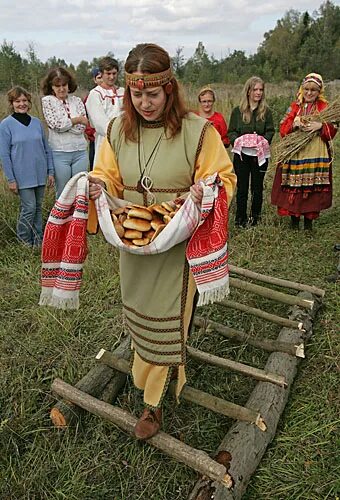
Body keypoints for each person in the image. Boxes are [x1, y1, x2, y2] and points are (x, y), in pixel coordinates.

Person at [88, 43, 236, 440]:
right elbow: (107, 174)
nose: (145, 102)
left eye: (152, 94)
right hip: (134, 242)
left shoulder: (197, 130)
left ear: (169, 89)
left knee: (170, 319)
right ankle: (147, 373)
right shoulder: (119, 129)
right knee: (140, 313)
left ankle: (152, 405)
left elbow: (224, 177)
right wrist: (97, 187)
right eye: (136, 94)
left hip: (176, 243)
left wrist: (206, 192)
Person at [271, 73, 337, 230]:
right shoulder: (295, 106)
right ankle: (294, 220)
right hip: (296, 154)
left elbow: (332, 130)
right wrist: (294, 124)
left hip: (316, 154)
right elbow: (282, 129)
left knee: (312, 187)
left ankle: (309, 222)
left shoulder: (324, 107)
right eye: (306, 89)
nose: (309, 93)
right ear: (302, 89)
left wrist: (320, 126)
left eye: (313, 90)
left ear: (319, 91)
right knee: (294, 186)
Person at [0, 86, 54, 247]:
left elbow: (47, 149)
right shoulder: (6, 125)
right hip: (21, 176)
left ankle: (38, 241)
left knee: (38, 208)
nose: (21, 104)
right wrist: (11, 179)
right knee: (29, 208)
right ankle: (24, 241)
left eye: (24, 100)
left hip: (39, 173)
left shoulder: (37, 123)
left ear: (29, 102)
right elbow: (4, 155)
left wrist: (50, 171)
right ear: (12, 103)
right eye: (17, 101)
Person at [228, 76, 274, 227]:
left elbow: (270, 131)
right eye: (255, 89)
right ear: (248, 91)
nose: (258, 93)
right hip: (242, 156)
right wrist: (238, 141)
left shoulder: (266, 112)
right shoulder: (237, 111)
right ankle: (240, 219)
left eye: (261, 90)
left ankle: (255, 218)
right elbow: (231, 132)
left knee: (257, 187)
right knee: (242, 187)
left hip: (259, 157)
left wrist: (262, 141)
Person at [41, 67, 88, 198]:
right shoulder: (47, 101)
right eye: (57, 86)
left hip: (80, 151)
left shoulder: (77, 101)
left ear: (69, 85)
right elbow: (55, 125)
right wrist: (77, 119)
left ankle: (78, 218)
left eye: (64, 85)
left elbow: (82, 128)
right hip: (59, 153)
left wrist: (67, 124)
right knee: (63, 193)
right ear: (51, 87)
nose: (61, 89)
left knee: (81, 191)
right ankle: (61, 219)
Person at [85, 56, 124, 165]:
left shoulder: (123, 92)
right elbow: (100, 123)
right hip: (105, 142)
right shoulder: (95, 94)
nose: (112, 77)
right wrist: (118, 133)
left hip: (125, 142)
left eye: (114, 73)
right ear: (101, 73)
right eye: (108, 73)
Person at [84, 68, 103, 170]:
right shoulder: (91, 96)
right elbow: (86, 118)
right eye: (99, 78)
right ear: (95, 80)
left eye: (103, 77)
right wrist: (92, 133)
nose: (101, 80)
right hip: (95, 138)